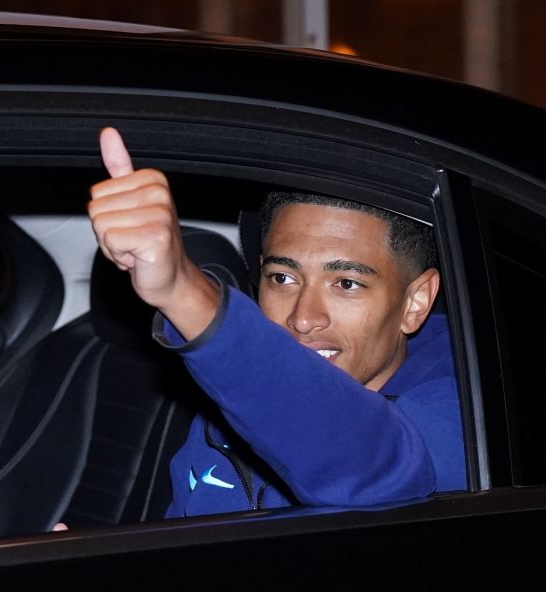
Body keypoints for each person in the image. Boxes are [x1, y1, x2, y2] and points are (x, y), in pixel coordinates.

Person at [87, 127, 465, 519]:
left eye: (347, 283)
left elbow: (378, 468)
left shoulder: (467, 406)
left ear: (415, 302)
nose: (303, 318)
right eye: (282, 278)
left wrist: (184, 291)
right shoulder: (231, 406)